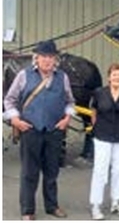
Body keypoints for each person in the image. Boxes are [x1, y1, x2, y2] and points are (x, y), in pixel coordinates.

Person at [3, 40, 76, 220]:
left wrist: (67, 118)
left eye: (51, 57)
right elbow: (9, 100)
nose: (47, 60)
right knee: (29, 172)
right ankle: (28, 210)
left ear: (55, 59)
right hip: (30, 130)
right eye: (44, 56)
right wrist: (15, 120)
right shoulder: (24, 75)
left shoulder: (63, 77)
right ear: (37, 58)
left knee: (52, 172)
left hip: (54, 131)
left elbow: (70, 102)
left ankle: (52, 206)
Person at [88, 63, 119, 220]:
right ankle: (96, 205)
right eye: (114, 75)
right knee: (100, 170)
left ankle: (116, 202)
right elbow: (94, 111)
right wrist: (96, 126)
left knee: (118, 170)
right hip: (102, 136)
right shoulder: (99, 93)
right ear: (109, 77)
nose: (117, 78)